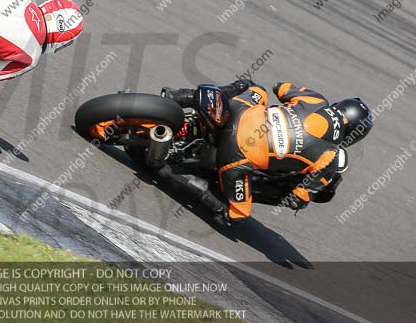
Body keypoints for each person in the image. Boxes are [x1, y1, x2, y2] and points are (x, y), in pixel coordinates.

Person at [155, 81, 372, 224]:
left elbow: (281, 86)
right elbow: (297, 199)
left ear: (339, 105)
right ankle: (167, 172)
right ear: (354, 134)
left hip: (240, 113)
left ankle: (180, 96)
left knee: (253, 87)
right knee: (237, 215)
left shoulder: (316, 99)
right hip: (236, 156)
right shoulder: (330, 158)